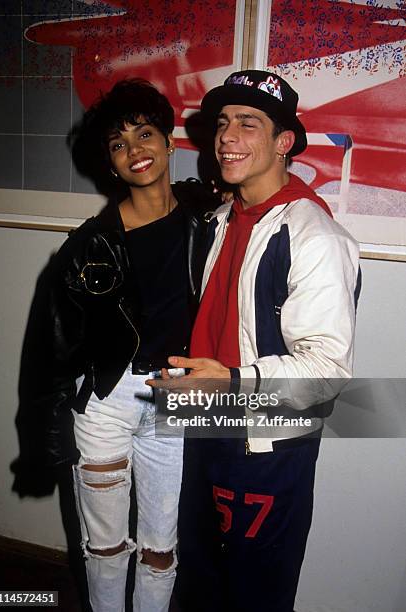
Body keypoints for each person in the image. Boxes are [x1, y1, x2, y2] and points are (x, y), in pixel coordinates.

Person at [148, 70, 361, 611]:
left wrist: (236, 379)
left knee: (255, 592)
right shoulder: (221, 220)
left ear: (283, 142)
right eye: (222, 123)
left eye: (248, 123)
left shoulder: (315, 235)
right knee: (197, 581)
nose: (226, 137)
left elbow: (328, 370)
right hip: (205, 426)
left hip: (266, 447)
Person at [15, 78, 217, 612]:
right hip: (108, 403)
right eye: (119, 144)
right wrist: (42, 447)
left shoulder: (205, 217)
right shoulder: (88, 245)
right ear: (110, 163)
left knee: (161, 549)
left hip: (176, 397)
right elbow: (49, 351)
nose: (135, 151)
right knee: (103, 548)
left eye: (145, 134)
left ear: (170, 142)